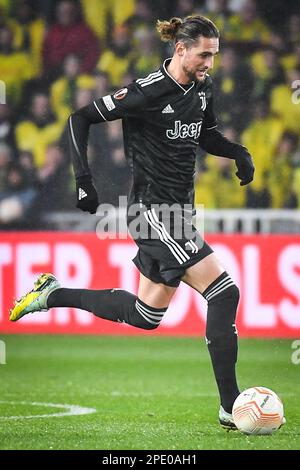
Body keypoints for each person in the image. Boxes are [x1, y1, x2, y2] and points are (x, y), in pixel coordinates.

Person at [9, 15, 255, 430]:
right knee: (224, 291)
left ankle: (51, 294)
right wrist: (83, 181)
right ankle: (231, 406)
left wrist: (238, 152)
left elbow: (205, 134)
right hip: (154, 214)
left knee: (146, 315)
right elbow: (79, 118)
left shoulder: (201, 87)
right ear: (180, 49)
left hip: (180, 214)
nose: (209, 64)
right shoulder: (146, 92)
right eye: (203, 55)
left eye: (214, 55)